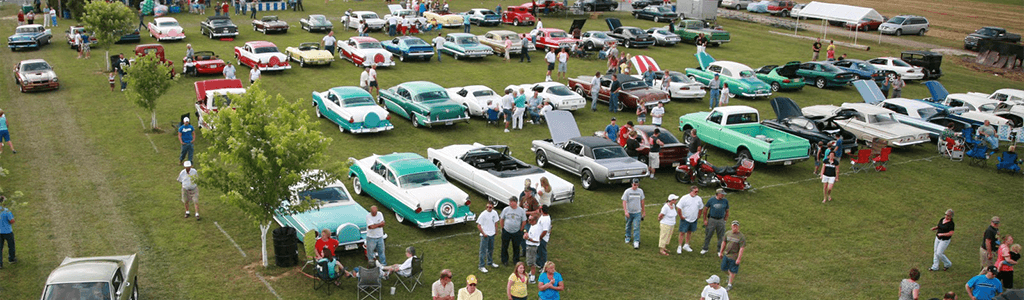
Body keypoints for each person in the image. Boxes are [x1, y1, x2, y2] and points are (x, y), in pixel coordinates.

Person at [719, 220, 745, 291]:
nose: (735, 227)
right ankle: (729, 277)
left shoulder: (741, 237)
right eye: (734, 226)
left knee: (732, 271)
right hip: (726, 255)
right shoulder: (727, 233)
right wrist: (721, 252)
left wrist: (739, 259)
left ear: (738, 227)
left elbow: (741, 248)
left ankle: (729, 285)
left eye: (736, 226)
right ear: (731, 226)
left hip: (734, 256)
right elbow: (724, 242)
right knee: (723, 268)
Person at [500, 197, 527, 266]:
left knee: (516, 247)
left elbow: (524, 221)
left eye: (511, 202)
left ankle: (516, 260)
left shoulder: (521, 211)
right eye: (509, 202)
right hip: (506, 231)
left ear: (516, 202)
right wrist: (503, 228)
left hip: (517, 232)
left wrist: (521, 229)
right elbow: (502, 219)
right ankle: (504, 260)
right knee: (504, 246)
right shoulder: (506, 209)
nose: (510, 203)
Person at [676, 186, 703, 254]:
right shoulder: (684, 198)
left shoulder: (699, 199)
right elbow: (679, 208)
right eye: (695, 191)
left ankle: (686, 245)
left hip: (693, 219)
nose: (697, 193)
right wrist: (681, 216)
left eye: (697, 191)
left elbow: (701, 208)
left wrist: (698, 215)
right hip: (685, 218)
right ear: (691, 191)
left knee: (689, 232)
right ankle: (679, 246)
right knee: (682, 232)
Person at [702, 188, 729, 255]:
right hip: (712, 219)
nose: (723, 196)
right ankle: (705, 248)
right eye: (722, 194)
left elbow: (727, 211)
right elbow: (705, 209)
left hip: (721, 220)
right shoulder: (711, 200)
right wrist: (705, 219)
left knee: (721, 236)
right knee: (708, 234)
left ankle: (719, 250)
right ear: (718, 194)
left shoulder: (725, 201)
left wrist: (725, 220)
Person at [477, 201, 500, 273]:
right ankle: (481, 266)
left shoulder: (495, 213)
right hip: (485, 235)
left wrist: (496, 231)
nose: (488, 208)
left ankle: (490, 262)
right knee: (483, 251)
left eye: (490, 207)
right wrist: (483, 233)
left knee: (490, 249)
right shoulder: (483, 214)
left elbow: (496, 222)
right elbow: (479, 225)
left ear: (493, 207)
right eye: (487, 207)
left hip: (492, 234)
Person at [622, 179, 645, 249]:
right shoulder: (627, 191)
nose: (636, 186)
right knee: (628, 225)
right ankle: (628, 236)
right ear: (632, 184)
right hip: (629, 212)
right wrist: (626, 211)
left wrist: (643, 211)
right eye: (635, 184)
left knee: (636, 227)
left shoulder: (640, 191)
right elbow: (624, 202)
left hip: (637, 212)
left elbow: (642, 202)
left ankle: (636, 241)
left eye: (637, 185)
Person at [524, 215, 542, 283]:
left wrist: (528, 238)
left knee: (532, 263)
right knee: (530, 261)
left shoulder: (536, 229)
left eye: (530, 220)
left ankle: (532, 278)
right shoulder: (533, 226)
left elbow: (537, 240)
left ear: (534, 221)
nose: (529, 221)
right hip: (530, 246)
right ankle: (531, 273)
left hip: (532, 247)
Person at [0, 195, 16, 268]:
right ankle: (11, 259)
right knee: (11, 246)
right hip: (7, 231)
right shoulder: (6, 211)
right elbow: (12, 221)